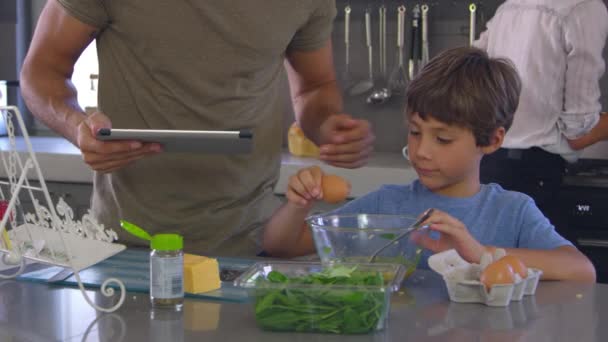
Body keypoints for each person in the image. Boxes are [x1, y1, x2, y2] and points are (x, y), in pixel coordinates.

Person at [20, 0, 375, 256]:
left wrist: (329, 126)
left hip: (249, 243)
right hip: (125, 244)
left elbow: (315, 87)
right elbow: (41, 70)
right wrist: (77, 126)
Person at [262, 47, 596, 282]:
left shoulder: (513, 211)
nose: (422, 151)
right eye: (415, 132)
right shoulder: (385, 205)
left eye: (443, 139)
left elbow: (581, 270)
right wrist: (297, 205)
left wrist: (480, 254)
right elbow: (282, 247)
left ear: (492, 140)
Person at [474, 0, 608, 223]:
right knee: (554, 258)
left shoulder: (511, 7)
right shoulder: (585, 8)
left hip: (489, 165)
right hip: (533, 175)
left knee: (491, 256)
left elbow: (468, 67)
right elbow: (578, 130)